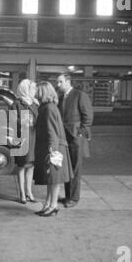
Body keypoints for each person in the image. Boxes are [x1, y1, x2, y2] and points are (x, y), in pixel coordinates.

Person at [34, 82, 73, 217]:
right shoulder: (48, 107)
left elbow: (52, 132)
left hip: (54, 148)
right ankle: (48, 204)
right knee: (51, 179)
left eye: (36, 90)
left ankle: (53, 206)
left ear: (42, 92)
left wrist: (53, 152)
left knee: (54, 179)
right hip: (54, 146)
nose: (34, 92)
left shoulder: (48, 108)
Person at [56, 74, 93, 209]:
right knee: (67, 168)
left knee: (75, 169)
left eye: (60, 82)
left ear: (68, 81)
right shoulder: (60, 98)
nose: (58, 85)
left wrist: (80, 133)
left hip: (76, 137)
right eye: (57, 82)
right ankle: (68, 196)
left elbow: (88, 116)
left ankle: (74, 198)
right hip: (64, 137)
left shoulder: (79, 95)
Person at [10, 79, 39, 204]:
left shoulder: (35, 103)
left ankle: (29, 192)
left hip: (34, 137)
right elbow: (11, 120)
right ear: (25, 89)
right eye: (32, 89)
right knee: (21, 166)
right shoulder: (16, 103)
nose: (34, 91)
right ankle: (22, 193)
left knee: (31, 166)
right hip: (22, 137)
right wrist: (23, 121)